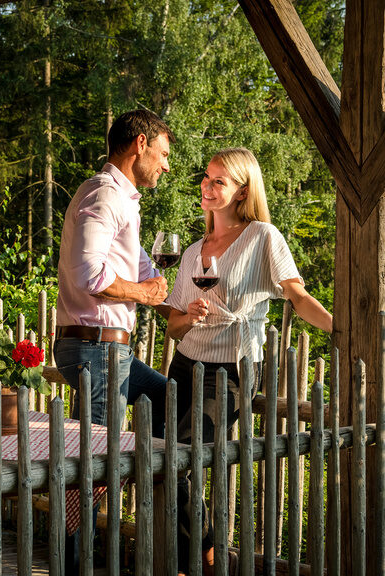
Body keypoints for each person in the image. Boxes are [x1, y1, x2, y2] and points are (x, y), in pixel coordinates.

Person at [165, 147, 333, 573]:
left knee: (182, 461)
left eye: (219, 180)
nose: (207, 185)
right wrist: (189, 316)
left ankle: (205, 559)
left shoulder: (262, 237)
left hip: (231, 368)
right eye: (206, 177)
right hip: (184, 364)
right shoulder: (193, 250)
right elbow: (173, 327)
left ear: (242, 191)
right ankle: (196, 557)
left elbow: (297, 296)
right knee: (164, 460)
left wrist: (340, 329)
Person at [54, 109, 174, 575]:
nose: (166, 165)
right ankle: (75, 566)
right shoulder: (104, 194)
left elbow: (137, 263)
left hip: (107, 349)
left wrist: (169, 299)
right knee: (94, 471)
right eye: (163, 153)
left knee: (165, 397)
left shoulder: (120, 199)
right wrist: (143, 293)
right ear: (140, 144)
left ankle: (145, 475)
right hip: (97, 348)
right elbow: (91, 275)